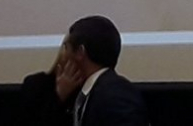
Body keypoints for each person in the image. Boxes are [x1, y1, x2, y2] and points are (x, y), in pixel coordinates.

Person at [15, 16, 148, 126]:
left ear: (80, 52)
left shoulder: (116, 96)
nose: (64, 54)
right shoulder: (101, 91)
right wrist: (58, 97)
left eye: (66, 47)